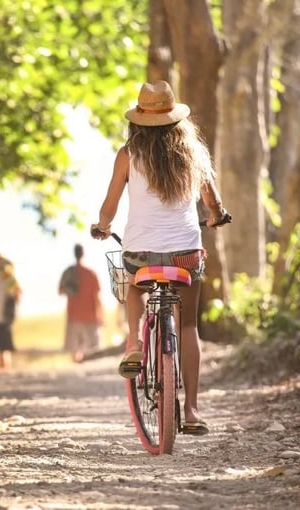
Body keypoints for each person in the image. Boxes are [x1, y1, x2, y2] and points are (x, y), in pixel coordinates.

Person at [90, 80, 230, 436]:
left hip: (140, 251)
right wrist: (215, 216)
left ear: (138, 119)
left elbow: (110, 205)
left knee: (135, 286)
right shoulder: (193, 152)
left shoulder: (128, 154)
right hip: (185, 252)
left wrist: (103, 226)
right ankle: (193, 410)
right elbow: (212, 203)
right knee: (187, 326)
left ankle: (135, 342)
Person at [58, 243, 103, 362]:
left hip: (74, 315)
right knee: (93, 350)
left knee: (75, 350)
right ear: (83, 254)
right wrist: (101, 315)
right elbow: (97, 297)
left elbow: (60, 291)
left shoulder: (68, 272)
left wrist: (71, 289)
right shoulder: (90, 273)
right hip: (90, 316)